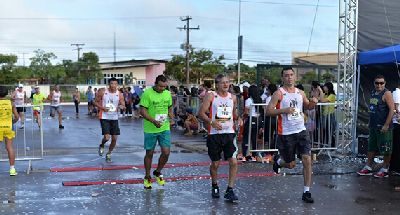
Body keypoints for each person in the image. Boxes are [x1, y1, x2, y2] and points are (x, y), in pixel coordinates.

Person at [266, 67, 318, 203]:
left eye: (291, 75)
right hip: (286, 133)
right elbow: (269, 111)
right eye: (286, 75)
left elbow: (307, 106)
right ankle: (278, 161)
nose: (289, 77)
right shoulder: (279, 93)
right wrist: (284, 110)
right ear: (282, 78)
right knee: (290, 165)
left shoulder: (300, 93)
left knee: (307, 159)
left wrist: (314, 101)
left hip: (301, 130)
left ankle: (306, 191)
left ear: (295, 77)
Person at [199, 74, 239, 202]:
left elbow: (235, 114)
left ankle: (230, 189)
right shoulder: (211, 96)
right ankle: (215, 185)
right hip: (214, 135)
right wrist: (211, 122)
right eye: (223, 83)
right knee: (215, 163)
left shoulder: (233, 98)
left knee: (233, 161)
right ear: (217, 84)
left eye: (228, 82)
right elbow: (201, 113)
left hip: (229, 133)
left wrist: (240, 119)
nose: (226, 85)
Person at [139, 75, 174, 189]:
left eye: (164, 86)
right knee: (149, 153)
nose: (162, 88)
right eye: (160, 86)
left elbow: (169, 107)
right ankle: (147, 176)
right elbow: (142, 111)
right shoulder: (147, 93)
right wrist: (153, 121)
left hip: (164, 127)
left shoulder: (167, 93)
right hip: (150, 128)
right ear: (155, 84)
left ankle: (157, 172)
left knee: (166, 152)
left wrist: (171, 116)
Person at [357, 74, 395, 178]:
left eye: (381, 83)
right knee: (371, 147)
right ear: (374, 84)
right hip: (374, 125)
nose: (379, 85)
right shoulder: (373, 92)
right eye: (377, 83)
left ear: (385, 83)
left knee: (385, 148)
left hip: (383, 126)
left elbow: (392, 109)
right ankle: (368, 166)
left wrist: (386, 125)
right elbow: (373, 109)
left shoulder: (386, 93)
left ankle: (385, 168)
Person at [94, 78, 126, 162]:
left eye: (115, 84)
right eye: (112, 84)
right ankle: (102, 145)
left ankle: (109, 153)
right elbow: (95, 102)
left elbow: (123, 104)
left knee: (114, 138)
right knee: (107, 137)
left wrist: (121, 107)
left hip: (114, 118)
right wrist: (102, 108)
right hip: (104, 117)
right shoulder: (103, 91)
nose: (113, 86)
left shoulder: (119, 94)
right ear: (109, 84)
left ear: (117, 85)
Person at [0, 86, 20, 176]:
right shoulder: (10, 103)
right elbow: (17, 117)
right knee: (9, 148)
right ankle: (12, 169)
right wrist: (12, 122)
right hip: (8, 127)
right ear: (6, 94)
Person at [317, 82, 336, 147]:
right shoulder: (326, 94)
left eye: (325, 87)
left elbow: (322, 100)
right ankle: (326, 144)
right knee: (325, 130)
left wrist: (320, 91)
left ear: (328, 87)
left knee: (329, 131)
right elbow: (318, 99)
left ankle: (332, 145)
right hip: (325, 115)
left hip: (330, 115)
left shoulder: (332, 96)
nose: (324, 88)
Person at [390, 81, 400, 174]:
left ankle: (394, 167)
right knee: (397, 146)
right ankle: (396, 168)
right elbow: (396, 108)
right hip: (397, 123)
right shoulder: (397, 92)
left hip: (397, 122)